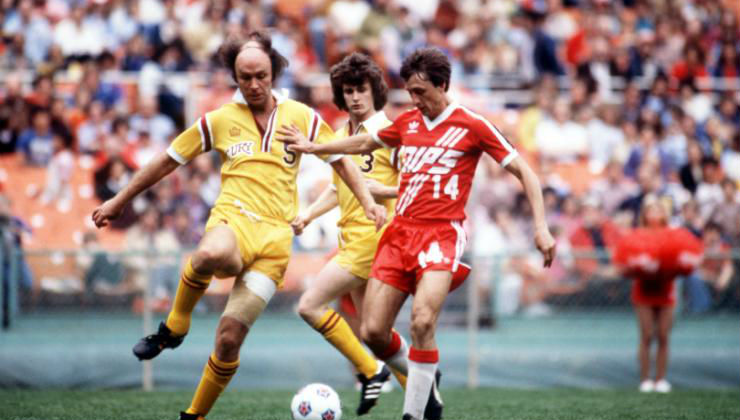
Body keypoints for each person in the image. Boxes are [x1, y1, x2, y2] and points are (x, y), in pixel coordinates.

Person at [92, 31, 386, 420]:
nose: (253, 84)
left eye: (260, 75)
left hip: (275, 243)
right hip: (234, 221)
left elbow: (341, 161)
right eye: (244, 77)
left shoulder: (300, 116)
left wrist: (366, 201)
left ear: (274, 71)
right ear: (235, 77)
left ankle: (193, 415)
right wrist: (118, 200)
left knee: (228, 340)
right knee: (211, 254)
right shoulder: (219, 120)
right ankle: (175, 327)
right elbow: (166, 160)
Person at [278, 47, 556, 420]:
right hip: (399, 234)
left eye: (421, 91)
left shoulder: (472, 125)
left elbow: (526, 171)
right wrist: (316, 148)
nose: (415, 99)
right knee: (374, 332)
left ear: (443, 85)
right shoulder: (407, 122)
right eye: (410, 91)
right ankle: (424, 375)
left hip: (442, 234)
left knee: (422, 321)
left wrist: (540, 227)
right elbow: (364, 143)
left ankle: (414, 412)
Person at [289, 52, 403, 415]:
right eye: (348, 90)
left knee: (309, 305)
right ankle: (423, 385)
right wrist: (308, 213)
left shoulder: (390, 133)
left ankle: (373, 373)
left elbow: (410, 186)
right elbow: (341, 188)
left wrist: (372, 191)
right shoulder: (340, 136)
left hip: (375, 237)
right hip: (349, 237)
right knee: (376, 332)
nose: (354, 97)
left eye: (361, 90)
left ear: (375, 92)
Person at [613, 196, 703, 393]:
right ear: (644, 213)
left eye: (658, 209)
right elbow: (621, 265)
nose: (654, 213)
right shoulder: (635, 235)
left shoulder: (676, 234)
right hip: (643, 291)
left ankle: (661, 379)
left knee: (663, 336)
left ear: (665, 213)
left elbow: (691, 257)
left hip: (666, 291)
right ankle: (645, 380)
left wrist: (681, 262)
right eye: (650, 209)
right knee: (646, 336)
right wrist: (638, 264)